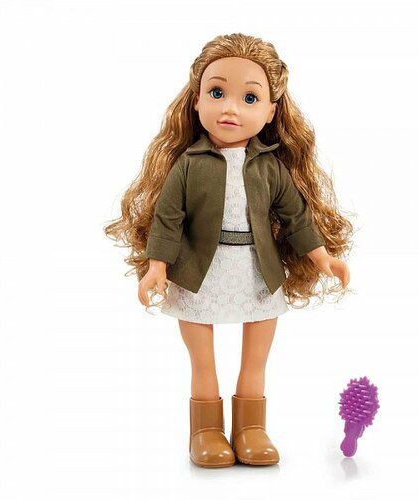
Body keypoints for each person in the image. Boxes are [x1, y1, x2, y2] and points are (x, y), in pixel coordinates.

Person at [104, 33, 353, 468]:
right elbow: (167, 218)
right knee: (203, 360)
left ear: (271, 111)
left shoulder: (270, 167)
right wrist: (157, 266)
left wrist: (322, 257)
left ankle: (250, 428)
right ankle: (205, 431)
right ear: (196, 100)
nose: (230, 109)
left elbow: (296, 218)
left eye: (249, 97)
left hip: (258, 271)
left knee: (255, 358)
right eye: (216, 93)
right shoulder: (189, 165)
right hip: (198, 271)